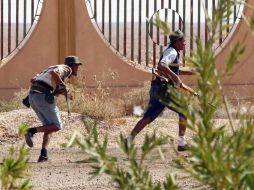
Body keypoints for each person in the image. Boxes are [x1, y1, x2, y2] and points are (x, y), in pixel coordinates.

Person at [127, 30, 195, 151]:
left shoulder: (171, 52)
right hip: (165, 90)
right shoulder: (172, 52)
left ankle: (128, 140)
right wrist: (175, 77)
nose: (185, 44)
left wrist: (188, 72)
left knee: (147, 117)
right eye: (183, 41)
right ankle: (181, 143)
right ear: (177, 42)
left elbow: (170, 69)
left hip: (157, 89)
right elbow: (162, 65)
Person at [24, 55, 82, 162]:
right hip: (42, 97)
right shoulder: (66, 69)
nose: (78, 68)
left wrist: (63, 92)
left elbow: (33, 80)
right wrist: (63, 85)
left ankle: (43, 154)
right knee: (57, 125)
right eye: (77, 66)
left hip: (33, 97)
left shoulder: (50, 67)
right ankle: (31, 131)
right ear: (72, 65)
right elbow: (54, 74)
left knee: (49, 127)